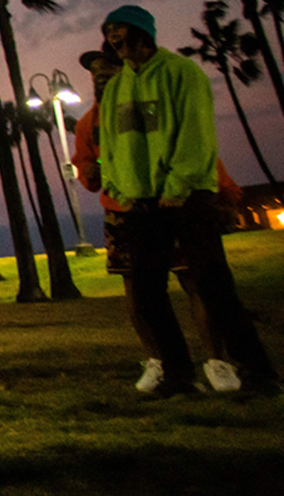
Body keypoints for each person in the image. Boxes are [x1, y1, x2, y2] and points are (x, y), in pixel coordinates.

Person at [97, 5, 278, 397]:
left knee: (214, 286)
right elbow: (109, 144)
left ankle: (258, 371)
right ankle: (179, 374)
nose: (113, 37)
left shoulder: (181, 74)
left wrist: (177, 186)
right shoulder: (116, 88)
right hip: (141, 203)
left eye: (120, 29)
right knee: (147, 292)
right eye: (109, 30)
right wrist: (118, 186)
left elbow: (196, 134)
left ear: (141, 31)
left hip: (188, 199)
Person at [72, 47, 243, 393]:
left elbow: (182, 146)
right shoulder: (89, 123)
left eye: (108, 69)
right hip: (123, 212)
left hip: (170, 202)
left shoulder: (145, 105)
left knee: (195, 282)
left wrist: (224, 191)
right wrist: (91, 171)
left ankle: (216, 362)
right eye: (94, 73)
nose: (100, 76)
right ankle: (160, 361)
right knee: (138, 292)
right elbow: (88, 172)